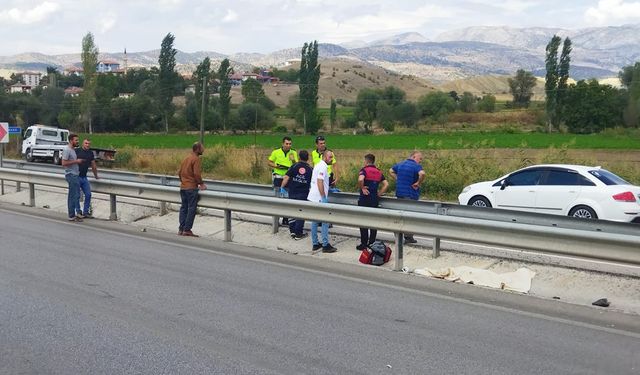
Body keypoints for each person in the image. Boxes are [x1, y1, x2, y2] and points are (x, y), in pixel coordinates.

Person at [389, 151, 426, 244]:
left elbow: (391, 171)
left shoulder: (401, 164)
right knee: (410, 217)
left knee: (400, 215)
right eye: (420, 158)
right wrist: (418, 183)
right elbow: (422, 174)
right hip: (410, 194)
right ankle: (408, 237)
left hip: (399, 194)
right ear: (414, 157)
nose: (420, 161)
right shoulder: (415, 166)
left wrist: (397, 178)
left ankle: (398, 235)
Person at [356, 153, 389, 250]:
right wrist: (379, 193)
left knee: (363, 221)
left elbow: (360, 179)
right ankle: (372, 242)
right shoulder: (379, 172)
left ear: (366, 161)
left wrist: (362, 187)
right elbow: (386, 184)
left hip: (364, 198)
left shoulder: (364, 170)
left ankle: (363, 244)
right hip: (374, 199)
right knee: (373, 221)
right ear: (373, 161)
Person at [307, 150, 337, 253]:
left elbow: (320, 181)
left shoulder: (318, 164)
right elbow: (320, 181)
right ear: (325, 157)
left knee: (314, 220)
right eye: (330, 157)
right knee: (325, 220)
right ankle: (325, 244)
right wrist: (323, 196)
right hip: (319, 197)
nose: (332, 159)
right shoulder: (323, 166)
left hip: (313, 196)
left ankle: (315, 243)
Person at [281, 149, 312, 240]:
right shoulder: (310, 169)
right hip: (303, 194)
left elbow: (286, 177)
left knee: (292, 211)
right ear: (308, 158)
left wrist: (282, 187)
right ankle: (298, 233)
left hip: (292, 192)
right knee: (301, 213)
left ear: (299, 157)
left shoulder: (294, 166)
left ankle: (292, 231)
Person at [178, 142, 207, 237]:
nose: (203, 150)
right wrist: (201, 184)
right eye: (202, 148)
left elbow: (179, 172)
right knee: (191, 208)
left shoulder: (186, 158)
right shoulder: (196, 159)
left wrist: (183, 182)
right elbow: (196, 174)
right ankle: (187, 229)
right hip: (191, 188)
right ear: (197, 149)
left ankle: (181, 229)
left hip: (183, 187)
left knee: (183, 208)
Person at [268, 136, 298, 225]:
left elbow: (296, 165)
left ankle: (286, 219)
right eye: (287, 144)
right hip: (278, 177)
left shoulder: (293, 152)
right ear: (283, 144)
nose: (288, 145)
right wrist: (276, 166)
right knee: (278, 198)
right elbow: (269, 162)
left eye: (290, 144)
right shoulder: (276, 152)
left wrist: (293, 160)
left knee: (288, 199)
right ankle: (276, 220)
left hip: (289, 178)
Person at [61, 134, 84, 222]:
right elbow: (63, 163)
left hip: (75, 174)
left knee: (75, 194)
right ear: (71, 141)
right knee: (73, 195)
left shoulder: (73, 150)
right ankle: (72, 215)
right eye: (76, 140)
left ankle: (75, 214)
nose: (77, 142)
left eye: (78, 140)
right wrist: (76, 161)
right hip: (71, 175)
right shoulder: (67, 150)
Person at [74, 138, 99, 218]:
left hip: (84, 177)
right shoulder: (77, 151)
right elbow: (71, 162)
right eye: (86, 143)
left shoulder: (90, 153)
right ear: (82, 144)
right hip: (76, 176)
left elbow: (93, 165)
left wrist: (96, 176)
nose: (87, 145)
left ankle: (85, 212)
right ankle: (78, 211)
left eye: (88, 144)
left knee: (88, 194)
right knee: (77, 195)